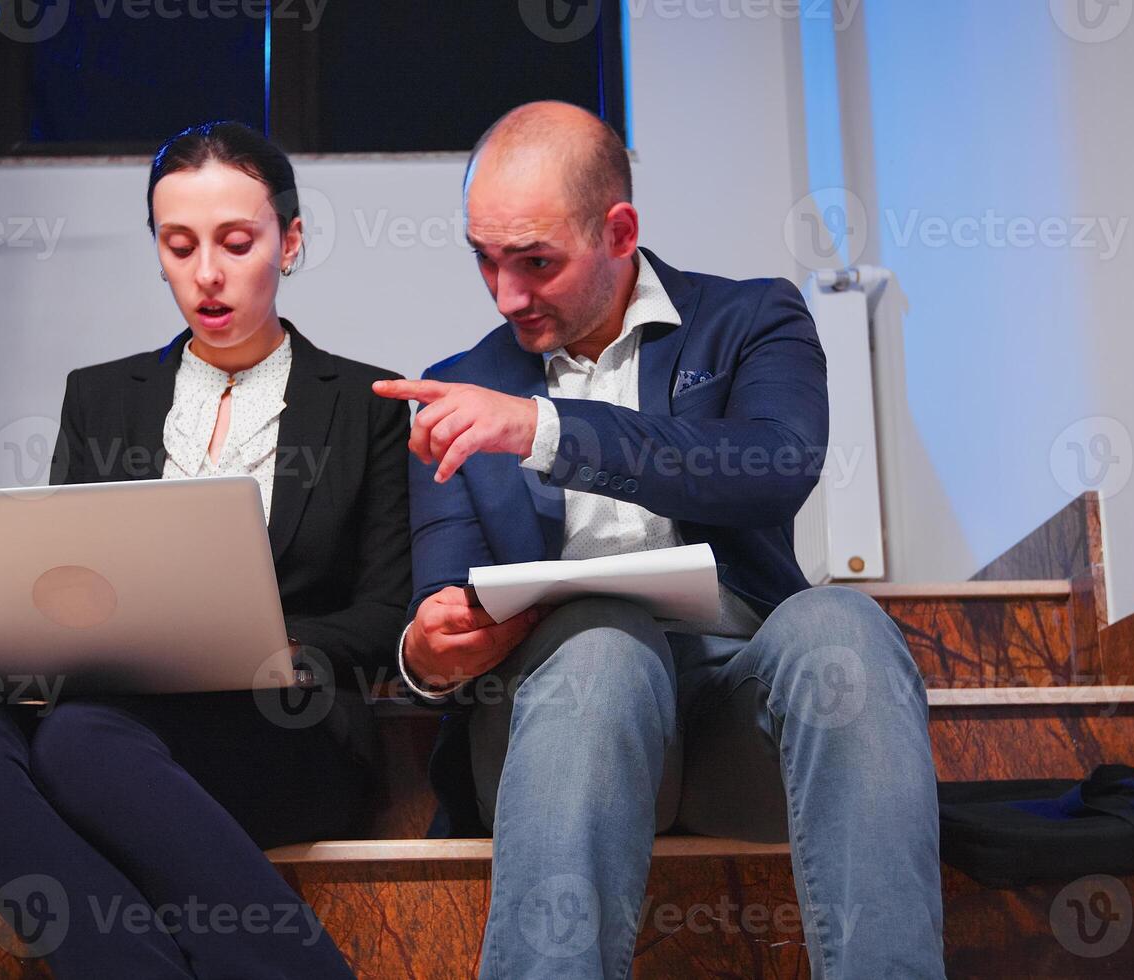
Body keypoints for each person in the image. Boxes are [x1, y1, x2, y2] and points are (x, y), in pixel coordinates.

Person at [373, 101, 946, 979]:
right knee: (605, 647)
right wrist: (431, 650)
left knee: (844, 625)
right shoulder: (457, 386)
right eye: (484, 260)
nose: (505, 295)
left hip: (739, 728)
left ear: (619, 230)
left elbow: (772, 463)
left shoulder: (752, 319)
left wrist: (544, 427)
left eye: (534, 262)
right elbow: (437, 602)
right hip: (562, 732)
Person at [0, 121, 411, 979]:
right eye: (178, 246)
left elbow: (385, 609)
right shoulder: (100, 398)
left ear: (290, 244)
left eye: (236, 242)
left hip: (287, 731)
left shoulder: (368, 401)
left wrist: (283, 650)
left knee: (81, 741)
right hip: (112, 715)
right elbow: (66, 581)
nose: (205, 273)